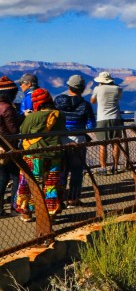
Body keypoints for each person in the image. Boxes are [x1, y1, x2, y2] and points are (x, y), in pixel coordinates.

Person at [15, 88, 65, 222]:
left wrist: (28, 117)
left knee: (29, 183)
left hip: (34, 154)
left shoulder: (32, 116)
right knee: (51, 184)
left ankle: (27, 211)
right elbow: (63, 130)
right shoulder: (59, 115)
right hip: (54, 154)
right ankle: (50, 212)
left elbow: (23, 131)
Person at [55, 75, 95, 206]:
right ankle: (73, 199)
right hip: (78, 140)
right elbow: (91, 125)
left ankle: (58, 199)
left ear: (68, 86)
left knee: (61, 170)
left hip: (61, 140)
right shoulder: (85, 105)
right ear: (83, 89)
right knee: (77, 171)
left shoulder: (58, 101)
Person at [91, 71, 123, 174]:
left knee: (103, 145)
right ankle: (115, 166)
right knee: (116, 143)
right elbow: (118, 99)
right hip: (116, 118)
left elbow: (92, 101)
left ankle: (103, 168)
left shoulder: (97, 89)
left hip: (102, 119)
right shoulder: (118, 89)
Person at [0, 76, 20, 217]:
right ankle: (14, 207)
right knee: (16, 176)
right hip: (8, 147)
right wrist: (22, 117)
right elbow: (13, 130)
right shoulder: (7, 108)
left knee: (1, 178)